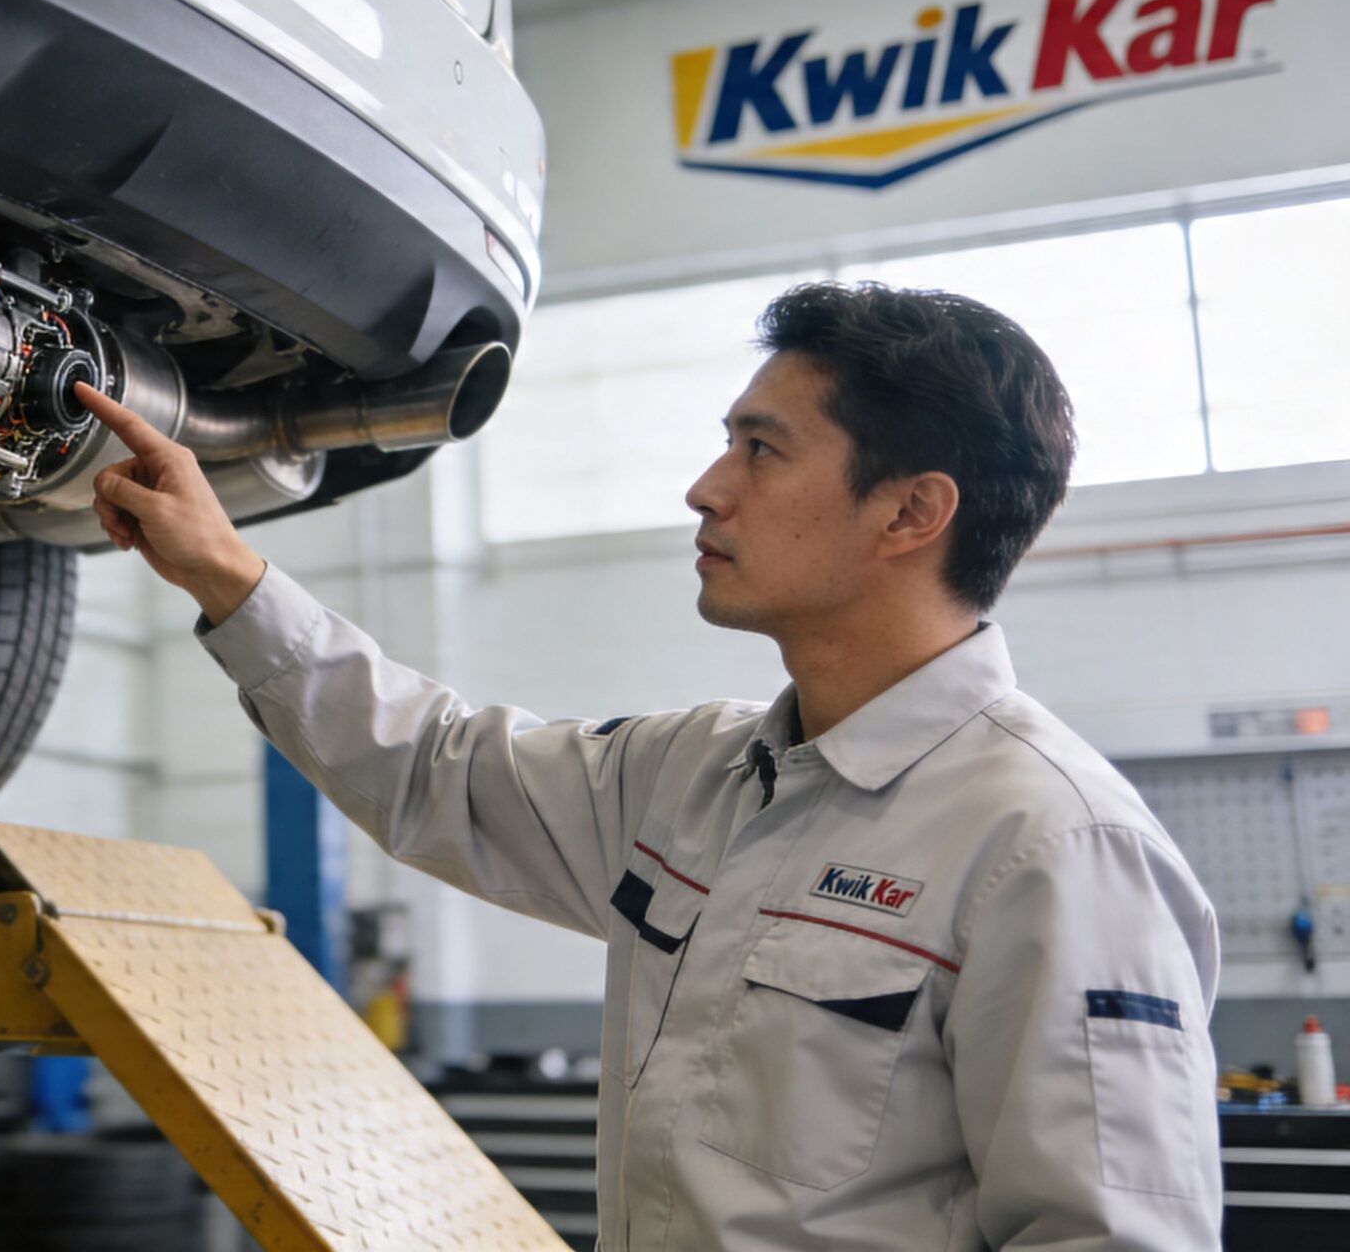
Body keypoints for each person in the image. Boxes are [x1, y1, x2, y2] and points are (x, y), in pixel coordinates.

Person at [72, 282, 1220, 1251]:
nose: (706, 486)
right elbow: (433, 769)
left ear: (911, 512)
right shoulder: (693, 777)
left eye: (760, 450)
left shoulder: (1054, 850)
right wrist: (225, 574)